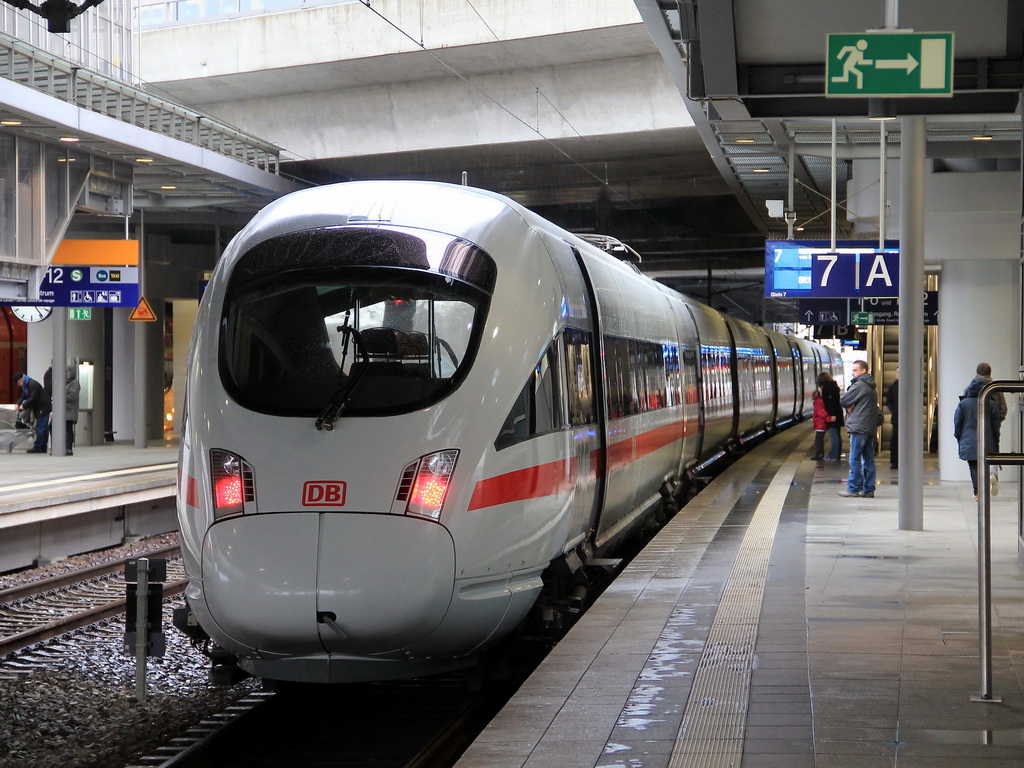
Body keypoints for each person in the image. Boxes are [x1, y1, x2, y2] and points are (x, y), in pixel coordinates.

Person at [838, 360, 879, 498]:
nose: (852, 372)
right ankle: (869, 489)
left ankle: (854, 488)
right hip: (868, 428)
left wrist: (850, 405)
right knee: (868, 459)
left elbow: (844, 400)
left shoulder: (860, 385)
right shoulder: (871, 387)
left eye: (855, 370)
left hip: (858, 427)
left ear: (863, 371)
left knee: (854, 459)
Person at [954, 374, 999, 500]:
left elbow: (958, 423)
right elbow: (996, 424)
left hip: (969, 440)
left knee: (973, 466)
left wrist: (959, 437)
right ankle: (988, 482)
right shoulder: (990, 403)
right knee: (985, 464)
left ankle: (977, 491)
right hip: (987, 439)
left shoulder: (963, 404)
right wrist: (996, 439)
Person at [970, 362, 1005, 495]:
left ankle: (978, 484)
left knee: (975, 455)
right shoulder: (996, 388)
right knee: (993, 449)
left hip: (974, 426)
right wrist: (997, 420)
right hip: (991, 425)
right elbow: (1003, 409)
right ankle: (993, 475)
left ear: (977, 372)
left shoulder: (970, 388)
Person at [14, 371, 51, 454]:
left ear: (21, 380)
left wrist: (24, 405)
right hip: (41, 407)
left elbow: (33, 398)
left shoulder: (32, 384)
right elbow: (23, 396)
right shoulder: (27, 385)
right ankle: (43, 447)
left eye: (18, 383)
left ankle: (38, 447)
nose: (18, 385)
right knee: (44, 427)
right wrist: (18, 403)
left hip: (43, 407)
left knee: (41, 428)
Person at [818, 371, 844, 461]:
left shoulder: (828, 388)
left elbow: (831, 403)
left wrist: (831, 415)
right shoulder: (833, 386)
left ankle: (834, 455)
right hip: (837, 414)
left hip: (833, 416)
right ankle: (836, 454)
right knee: (836, 434)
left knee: (834, 435)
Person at [65, 366, 81, 455]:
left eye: (67, 372)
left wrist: (62, 397)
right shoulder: (65, 382)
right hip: (64, 410)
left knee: (68, 429)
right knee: (62, 429)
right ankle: (63, 446)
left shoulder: (74, 383)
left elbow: (73, 395)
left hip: (70, 410)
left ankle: (69, 448)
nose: (66, 374)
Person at [811, 387, 829, 460]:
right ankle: (820, 454)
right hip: (821, 424)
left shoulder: (817, 402)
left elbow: (821, 412)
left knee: (818, 441)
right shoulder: (820, 401)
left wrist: (828, 418)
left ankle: (819, 454)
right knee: (819, 440)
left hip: (820, 425)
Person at [886, 366, 899, 469]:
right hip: (896, 419)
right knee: (895, 440)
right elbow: (889, 401)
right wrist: (894, 411)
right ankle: (894, 460)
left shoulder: (910, 386)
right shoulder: (893, 387)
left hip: (906, 420)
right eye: (897, 372)